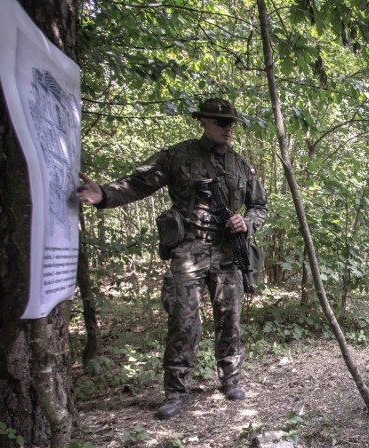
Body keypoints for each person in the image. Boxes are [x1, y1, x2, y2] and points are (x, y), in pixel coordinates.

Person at [77, 98, 269, 420]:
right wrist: (104, 196)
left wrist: (246, 222)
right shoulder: (177, 156)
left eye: (232, 122)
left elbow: (260, 205)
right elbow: (138, 183)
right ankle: (177, 391)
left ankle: (230, 378)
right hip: (189, 251)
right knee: (182, 321)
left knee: (229, 318)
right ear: (204, 122)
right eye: (222, 122)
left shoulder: (240, 165)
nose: (228, 127)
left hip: (227, 252)